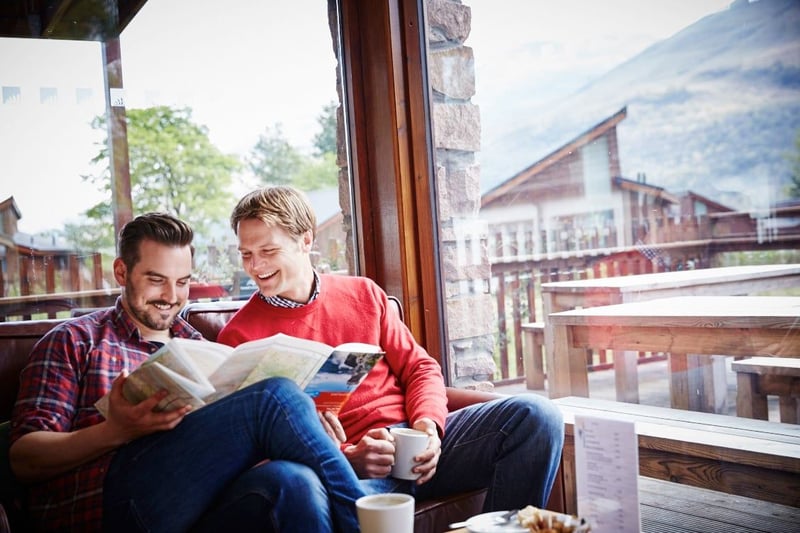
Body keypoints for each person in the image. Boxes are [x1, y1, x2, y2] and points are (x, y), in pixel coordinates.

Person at [9, 212, 365, 533]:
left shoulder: (199, 345)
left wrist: (304, 428)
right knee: (276, 395)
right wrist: (115, 431)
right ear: (122, 272)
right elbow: (23, 459)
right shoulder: (76, 340)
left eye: (182, 282)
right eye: (156, 280)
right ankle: (368, 520)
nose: (171, 295)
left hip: (197, 507)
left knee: (294, 480)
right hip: (110, 506)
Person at [218, 186, 565, 511]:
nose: (255, 266)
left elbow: (421, 369)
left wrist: (429, 427)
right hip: (349, 468)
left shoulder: (363, 295)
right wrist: (346, 457)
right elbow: (252, 449)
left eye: (268, 251)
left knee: (537, 416)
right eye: (246, 254)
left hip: (413, 442)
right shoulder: (239, 336)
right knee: (319, 498)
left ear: (305, 241)